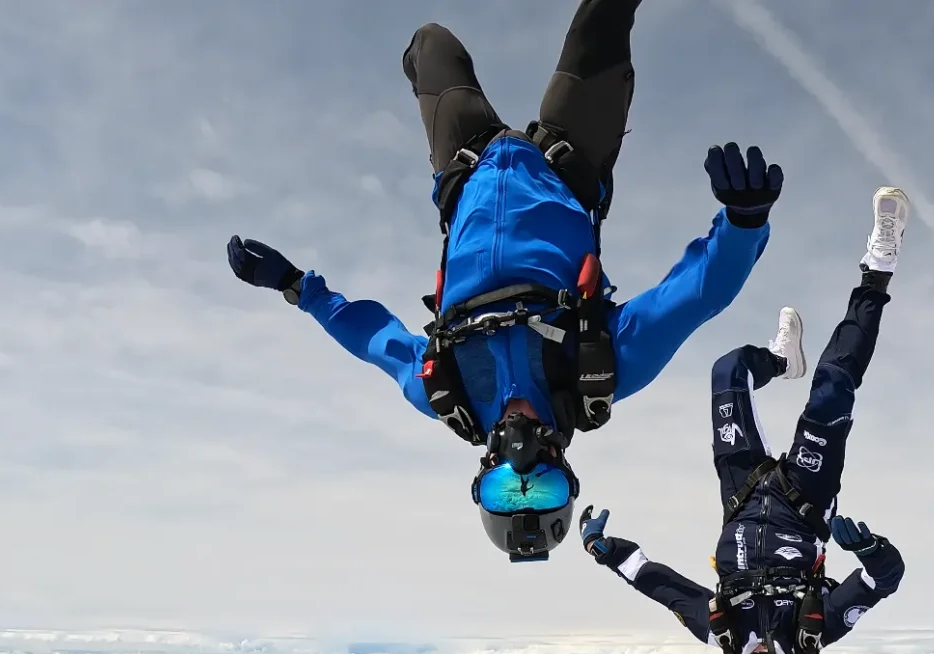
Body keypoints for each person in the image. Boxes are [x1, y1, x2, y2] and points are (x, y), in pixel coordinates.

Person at [225, 0, 783, 561]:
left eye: (505, 491)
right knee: (603, 17)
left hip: (467, 167)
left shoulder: (447, 390)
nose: (523, 468)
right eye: (543, 490)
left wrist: (297, 287)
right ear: (568, 478)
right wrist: (743, 223)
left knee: (429, 43)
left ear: (481, 481)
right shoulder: (601, 372)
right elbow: (693, 297)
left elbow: (375, 341)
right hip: (568, 167)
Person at [577, 188, 911, 654]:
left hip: (742, 494)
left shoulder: (720, 630)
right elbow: (886, 579)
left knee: (727, 370)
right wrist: (871, 550)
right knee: (833, 387)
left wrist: (603, 550)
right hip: (805, 497)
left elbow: (659, 585)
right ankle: (879, 265)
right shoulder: (815, 631)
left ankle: (781, 360)